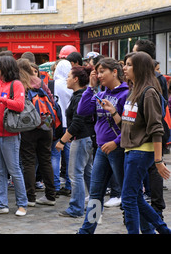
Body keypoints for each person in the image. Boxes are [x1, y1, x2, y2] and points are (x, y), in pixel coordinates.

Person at [120, 51, 171, 234]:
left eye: (129, 64)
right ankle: (164, 230)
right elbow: (131, 124)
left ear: (140, 68)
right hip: (131, 150)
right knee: (136, 198)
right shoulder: (134, 91)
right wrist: (113, 112)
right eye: (125, 64)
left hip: (141, 151)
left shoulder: (149, 93)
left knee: (128, 198)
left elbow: (156, 129)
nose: (124, 68)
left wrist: (158, 160)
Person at [76, 58, 129, 234]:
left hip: (119, 149)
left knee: (128, 195)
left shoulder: (126, 94)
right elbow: (82, 111)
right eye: (97, 72)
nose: (99, 76)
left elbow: (130, 127)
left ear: (114, 72)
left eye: (102, 72)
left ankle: (142, 225)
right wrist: (90, 88)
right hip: (101, 150)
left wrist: (116, 142)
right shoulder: (101, 93)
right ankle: (87, 230)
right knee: (96, 194)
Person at [0, 56, 29, 216]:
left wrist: (1, 99)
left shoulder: (16, 84)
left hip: (10, 135)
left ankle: (22, 204)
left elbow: (20, 105)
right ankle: (1, 204)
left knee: (14, 170)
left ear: (5, 68)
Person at [56, 65, 94, 218]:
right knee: (87, 173)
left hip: (82, 139)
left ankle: (76, 208)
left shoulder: (80, 96)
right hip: (87, 138)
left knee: (75, 174)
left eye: (69, 76)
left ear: (76, 79)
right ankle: (93, 205)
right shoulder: (80, 94)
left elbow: (77, 122)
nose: (67, 79)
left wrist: (63, 141)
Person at [17, 58, 56, 207]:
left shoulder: (20, 83)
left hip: (28, 126)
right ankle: (51, 195)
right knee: (46, 160)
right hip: (46, 125)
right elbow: (52, 101)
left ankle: (30, 197)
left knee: (28, 161)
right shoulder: (40, 82)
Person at [51, 60, 73, 196]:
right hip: (69, 124)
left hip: (56, 123)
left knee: (54, 154)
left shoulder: (53, 84)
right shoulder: (70, 84)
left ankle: (55, 185)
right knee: (69, 156)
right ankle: (70, 185)